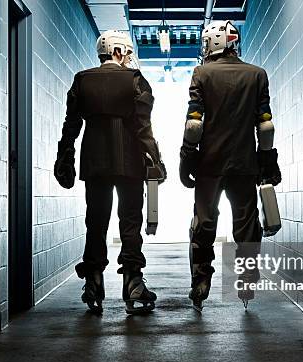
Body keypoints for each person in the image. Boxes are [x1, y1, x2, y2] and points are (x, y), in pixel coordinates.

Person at [54, 30, 166, 315]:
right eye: (127, 53)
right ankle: (133, 284)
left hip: (94, 163)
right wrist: (156, 158)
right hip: (130, 164)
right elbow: (144, 127)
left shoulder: (82, 80)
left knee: (96, 221)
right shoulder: (135, 80)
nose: (129, 59)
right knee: (130, 221)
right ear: (118, 51)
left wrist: (64, 158)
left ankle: (93, 283)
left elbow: (71, 126)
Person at [179, 20, 282, 311]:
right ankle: (247, 282)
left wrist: (187, 156)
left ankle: (200, 283)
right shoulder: (257, 75)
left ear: (212, 43)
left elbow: (194, 123)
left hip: (209, 165)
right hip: (245, 164)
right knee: (247, 226)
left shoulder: (202, 73)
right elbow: (265, 126)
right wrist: (267, 160)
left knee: (203, 224)